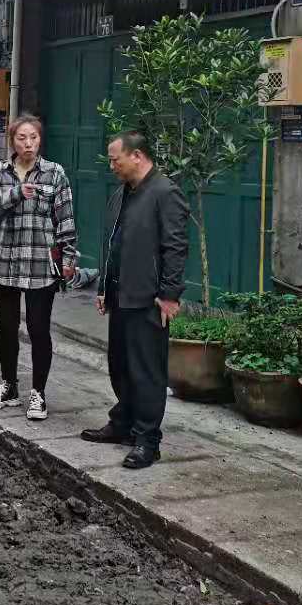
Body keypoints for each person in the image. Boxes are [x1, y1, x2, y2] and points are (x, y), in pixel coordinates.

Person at [82, 130, 190, 470]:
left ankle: (147, 440)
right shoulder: (120, 194)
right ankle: (123, 422)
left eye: (116, 159)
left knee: (147, 372)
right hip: (121, 295)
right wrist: (103, 288)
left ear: (137, 156)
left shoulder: (164, 192)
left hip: (148, 298)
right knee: (120, 366)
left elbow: (175, 246)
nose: (111, 165)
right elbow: (111, 243)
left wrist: (169, 294)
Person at [0, 115, 77, 421]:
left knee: (38, 330)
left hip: (39, 264)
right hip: (5, 260)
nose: (28, 144)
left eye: (33, 137)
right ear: (13, 141)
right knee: (7, 328)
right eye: (22, 138)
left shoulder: (54, 173)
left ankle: (39, 393)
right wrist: (16, 193)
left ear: (40, 139)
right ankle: (8, 387)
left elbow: (66, 220)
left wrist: (69, 260)